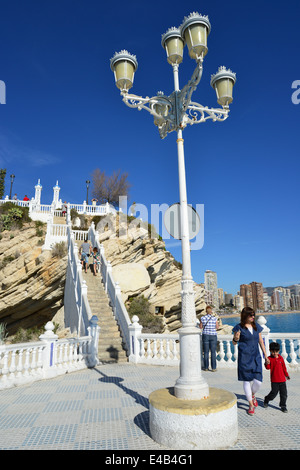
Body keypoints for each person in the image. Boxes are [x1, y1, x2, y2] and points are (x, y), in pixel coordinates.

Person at [232, 307, 269, 416]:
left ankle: (252, 395)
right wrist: (236, 338)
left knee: (258, 382)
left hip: (256, 357)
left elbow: (261, 342)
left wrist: (266, 356)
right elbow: (234, 343)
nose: (253, 317)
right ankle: (251, 405)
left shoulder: (256, 326)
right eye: (251, 315)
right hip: (244, 358)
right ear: (245, 316)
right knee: (246, 381)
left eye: (254, 315)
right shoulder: (238, 327)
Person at [264, 342, 290, 413]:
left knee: (284, 394)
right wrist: (266, 362)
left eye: (276, 352)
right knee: (273, 394)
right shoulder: (269, 358)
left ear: (279, 351)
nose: (275, 353)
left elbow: (284, 368)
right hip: (274, 380)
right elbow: (268, 368)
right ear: (270, 350)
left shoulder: (281, 358)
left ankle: (283, 406)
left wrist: (286, 375)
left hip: (282, 380)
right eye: (273, 352)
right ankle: (267, 399)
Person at [200, 305, 219, 372]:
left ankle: (206, 367)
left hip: (205, 335)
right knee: (213, 352)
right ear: (211, 311)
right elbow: (217, 327)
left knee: (206, 352)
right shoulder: (214, 318)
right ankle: (213, 368)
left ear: (206, 311)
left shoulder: (202, 318)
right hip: (213, 335)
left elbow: (200, 327)